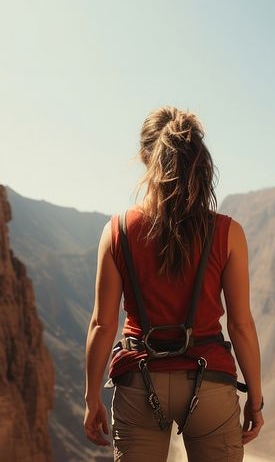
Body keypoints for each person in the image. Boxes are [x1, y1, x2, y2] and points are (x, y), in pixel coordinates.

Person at [83, 107, 264, 460]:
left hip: (139, 381)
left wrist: (92, 399)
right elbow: (240, 324)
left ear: (143, 156)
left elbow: (103, 325)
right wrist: (255, 400)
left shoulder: (117, 231)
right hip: (209, 381)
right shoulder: (228, 233)